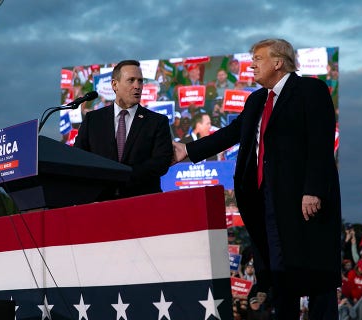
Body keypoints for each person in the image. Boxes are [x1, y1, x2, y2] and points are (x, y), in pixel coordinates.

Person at [172, 38, 341, 319]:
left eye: (258, 59)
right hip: (267, 201)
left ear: (278, 62)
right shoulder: (256, 100)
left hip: (303, 201)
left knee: (316, 275)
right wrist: (188, 150)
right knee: (280, 274)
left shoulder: (311, 90)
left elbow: (321, 143)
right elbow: (231, 133)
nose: (251, 64)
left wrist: (312, 190)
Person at [74, 60, 173, 200]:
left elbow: (161, 162)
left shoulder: (157, 122)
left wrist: (124, 175)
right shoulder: (93, 120)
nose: (137, 86)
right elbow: (79, 157)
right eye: (131, 80)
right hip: (100, 203)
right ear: (115, 85)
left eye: (140, 81)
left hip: (143, 202)